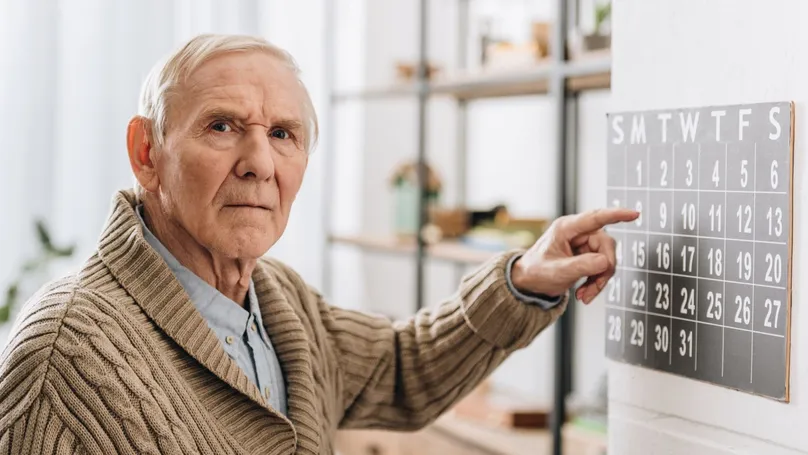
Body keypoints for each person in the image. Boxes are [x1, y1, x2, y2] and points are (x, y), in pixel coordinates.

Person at [0, 34, 637, 455]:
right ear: (147, 153)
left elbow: (400, 368)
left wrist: (524, 276)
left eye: (283, 134)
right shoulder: (64, 356)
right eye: (222, 127)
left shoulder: (278, 297)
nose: (259, 163)